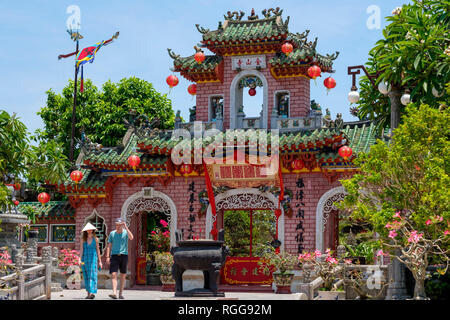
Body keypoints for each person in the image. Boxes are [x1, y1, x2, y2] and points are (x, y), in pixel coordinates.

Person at [106, 218, 134, 299]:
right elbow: (109, 246)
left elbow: (131, 237)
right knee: (114, 274)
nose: (118, 226)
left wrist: (126, 227)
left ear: (122, 225)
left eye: (119, 225)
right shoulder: (112, 233)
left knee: (123, 275)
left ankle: (120, 293)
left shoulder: (125, 233)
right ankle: (114, 292)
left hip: (124, 255)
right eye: (117, 225)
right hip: (114, 256)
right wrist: (107, 257)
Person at [79, 222, 102, 299]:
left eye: (90, 229)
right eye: (88, 230)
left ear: (92, 230)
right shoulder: (83, 239)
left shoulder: (96, 239)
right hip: (85, 259)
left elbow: (98, 250)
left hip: (93, 260)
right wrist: (79, 259)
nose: (89, 231)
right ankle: (88, 293)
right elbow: (81, 250)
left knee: (93, 276)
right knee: (86, 276)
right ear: (86, 231)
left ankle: (92, 292)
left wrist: (100, 261)